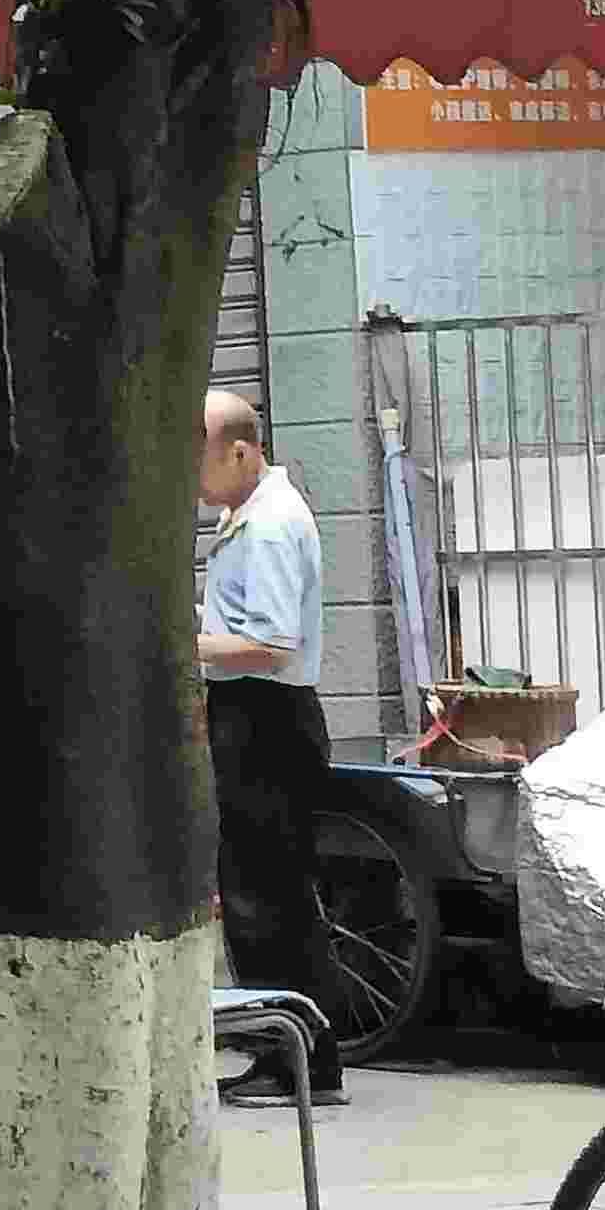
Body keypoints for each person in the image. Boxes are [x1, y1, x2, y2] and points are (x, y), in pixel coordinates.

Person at [199, 389, 346, 1108]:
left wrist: (183, 642)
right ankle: (290, 1057)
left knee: (269, 900)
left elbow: (270, 644)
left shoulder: (269, 525)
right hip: (248, 715)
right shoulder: (243, 515)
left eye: (198, 459)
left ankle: (303, 1064)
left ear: (239, 451)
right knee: (261, 893)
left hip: (267, 720)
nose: (190, 477)